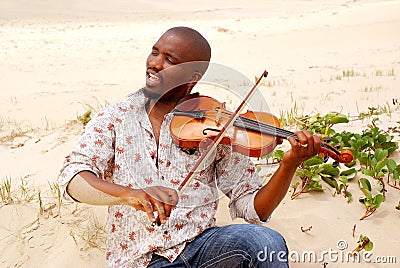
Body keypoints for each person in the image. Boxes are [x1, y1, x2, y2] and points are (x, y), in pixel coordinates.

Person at [58, 26, 321, 267]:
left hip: (200, 247)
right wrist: (131, 194)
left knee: (265, 243)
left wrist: (290, 164)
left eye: (170, 60)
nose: (155, 64)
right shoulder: (115, 117)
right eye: (154, 53)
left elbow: (254, 208)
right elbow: (74, 179)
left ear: (193, 76)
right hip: (141, 260)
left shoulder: (217, 125)